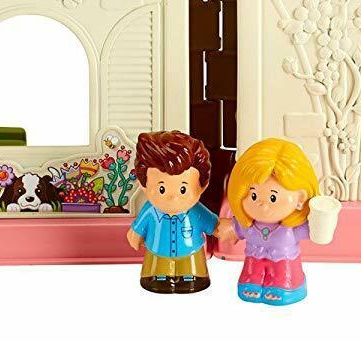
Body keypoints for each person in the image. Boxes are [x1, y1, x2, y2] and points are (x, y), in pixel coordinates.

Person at [217, 138, 339, 305]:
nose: (262, 204)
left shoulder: (291, 228)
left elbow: (315, 233)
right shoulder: (249, 225)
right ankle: (252, 283)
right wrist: (228, 229)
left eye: (273, 197)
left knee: (283, 275)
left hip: (284, 261)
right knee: (252, 273)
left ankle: (285, 288)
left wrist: (323, 222)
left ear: (300, 198)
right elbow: (236, 229)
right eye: (253, 195)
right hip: (254, 258)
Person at [126, 130, 220, 293]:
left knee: (192, 270)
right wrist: (135, 234)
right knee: (158, 271)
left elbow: (214, 225)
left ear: (202, 185)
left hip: (191, 252)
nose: (173, 198)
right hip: (157, 251)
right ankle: (158, 277)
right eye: (161, 189)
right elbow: (138, 228)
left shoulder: (196, 211)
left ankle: (191, 277)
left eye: (183, 189)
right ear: (144, 184)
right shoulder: (150, 211)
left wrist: (223, 229)